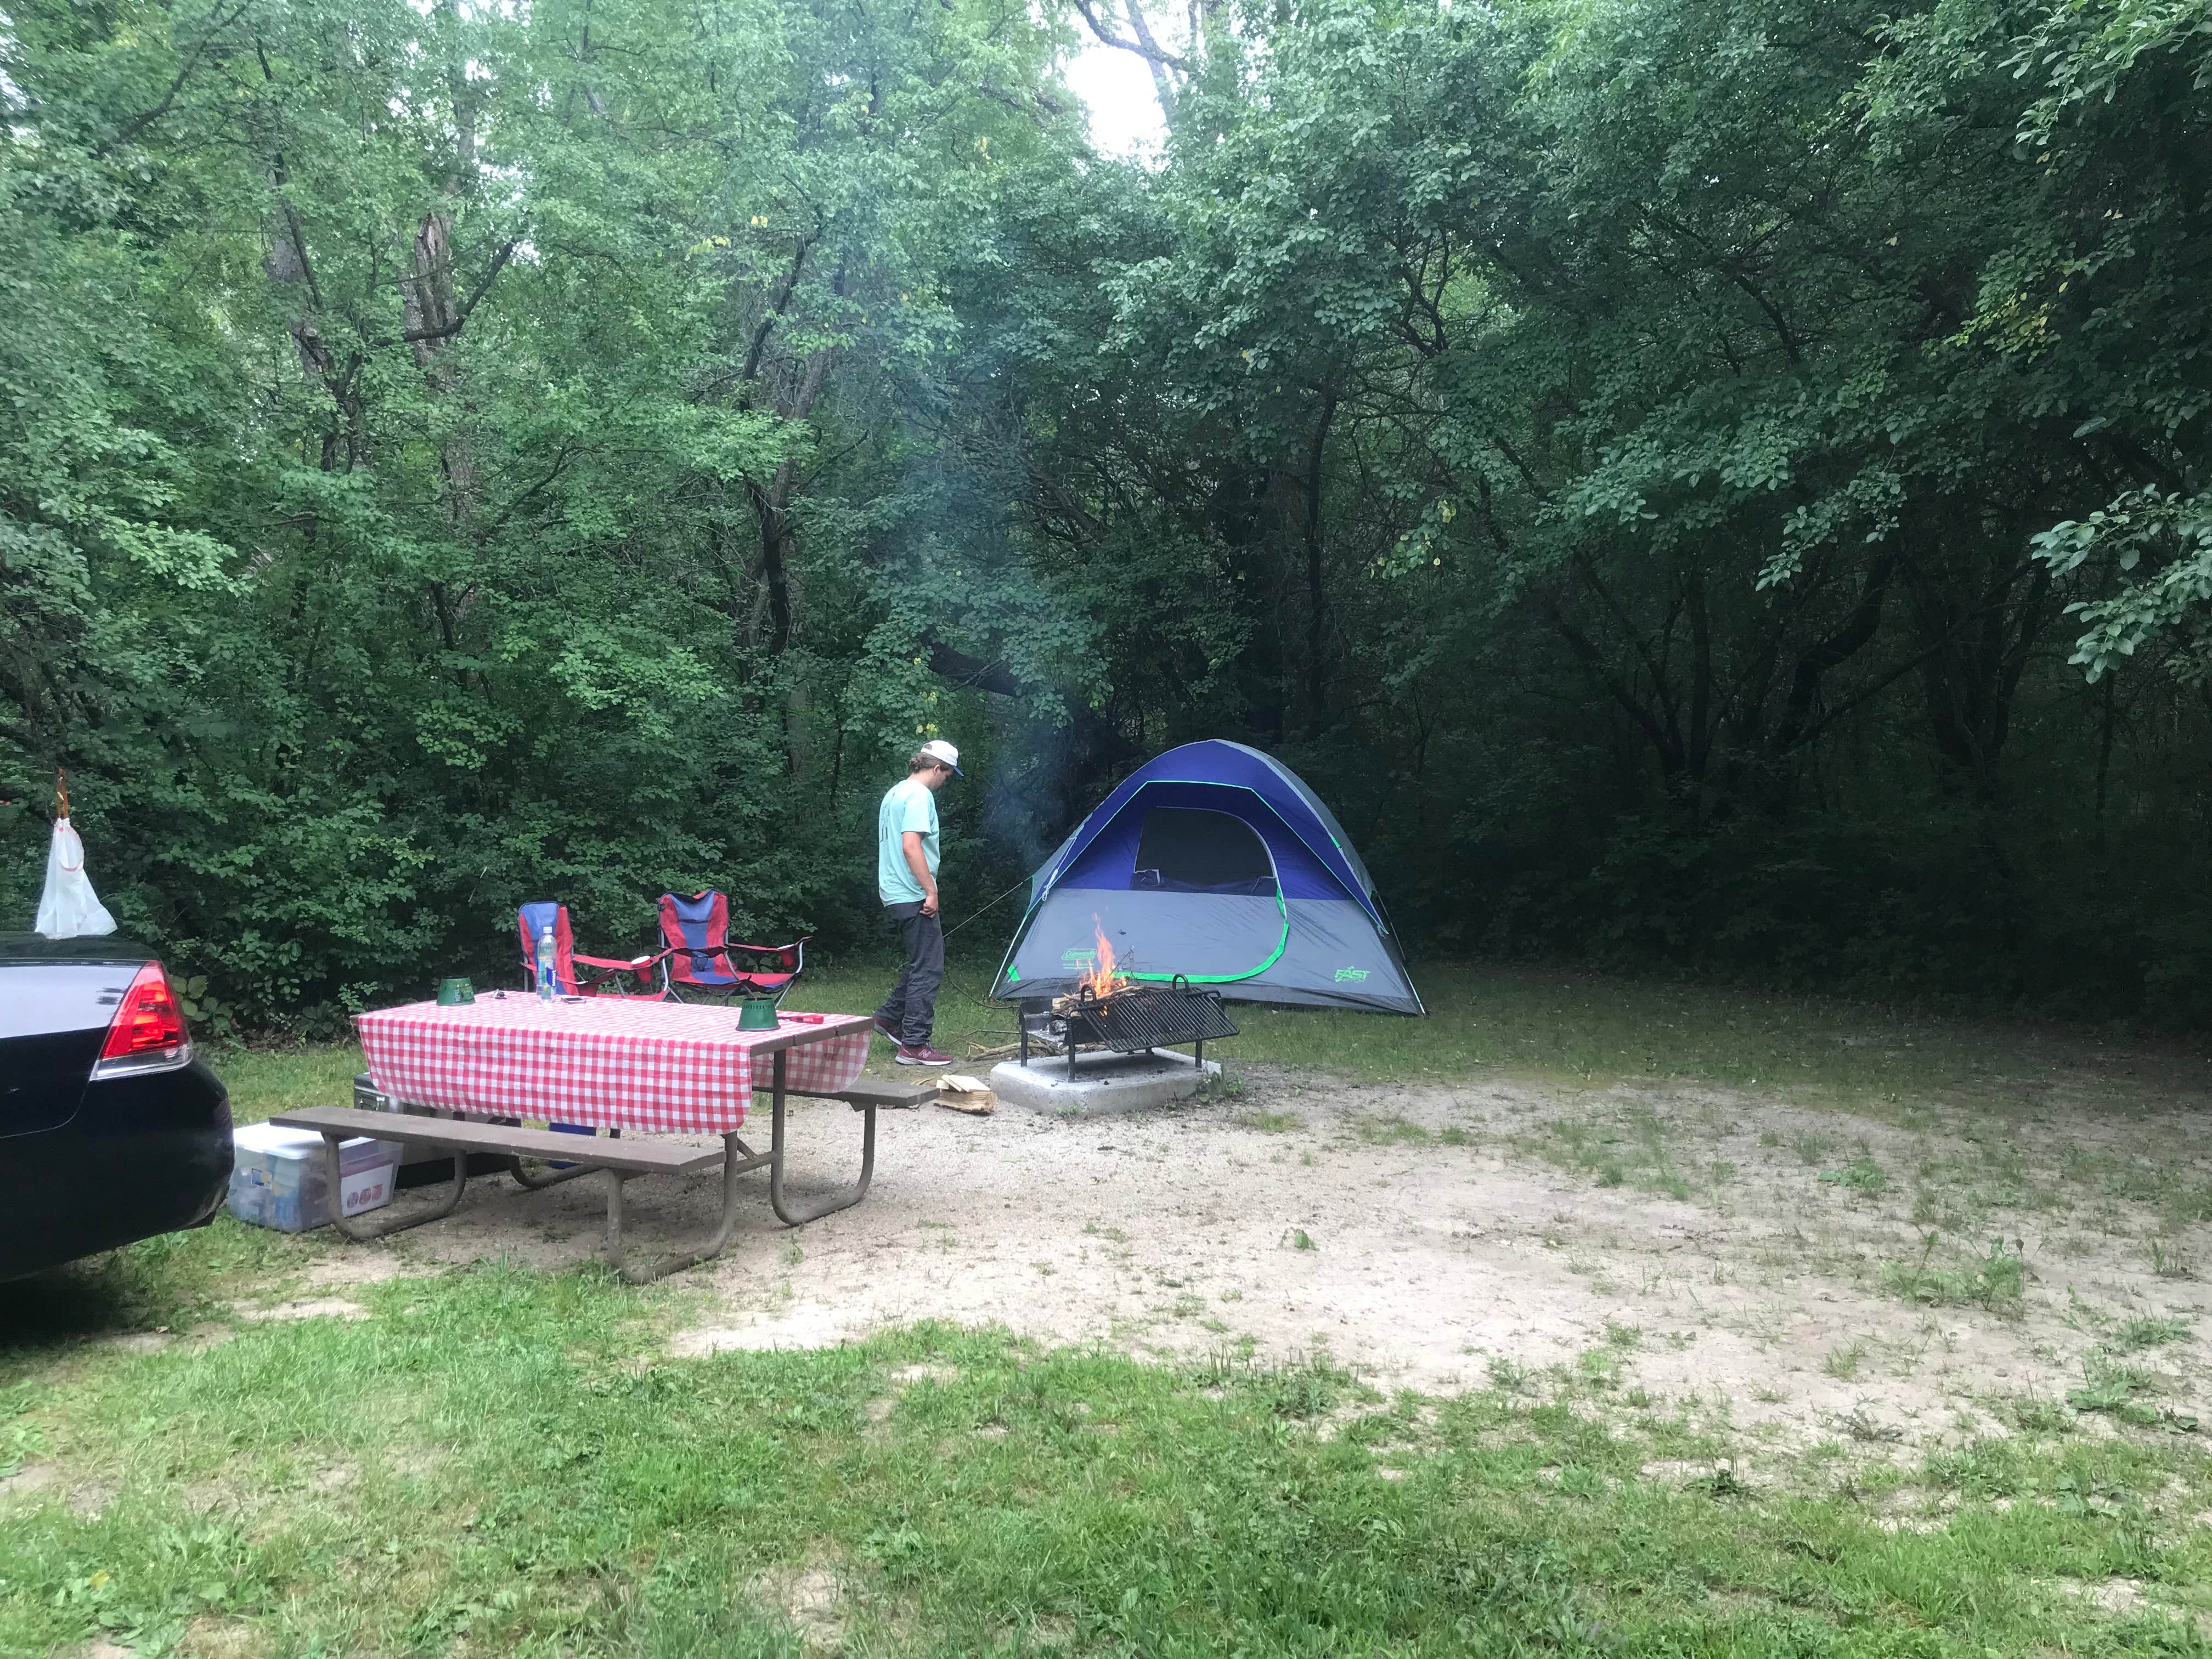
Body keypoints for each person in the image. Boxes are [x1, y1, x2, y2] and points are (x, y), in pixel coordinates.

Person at [873, 740, 961, 1065]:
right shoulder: (920, 796)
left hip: (893, 891)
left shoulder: (895, 793)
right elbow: (911, 846)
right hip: (913, 893)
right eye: (947, 775)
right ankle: (914, 1044)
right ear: (937, 768)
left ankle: (888, 1018)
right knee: (929, 968)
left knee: (919, 962)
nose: (945, 782)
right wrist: (931, 890)